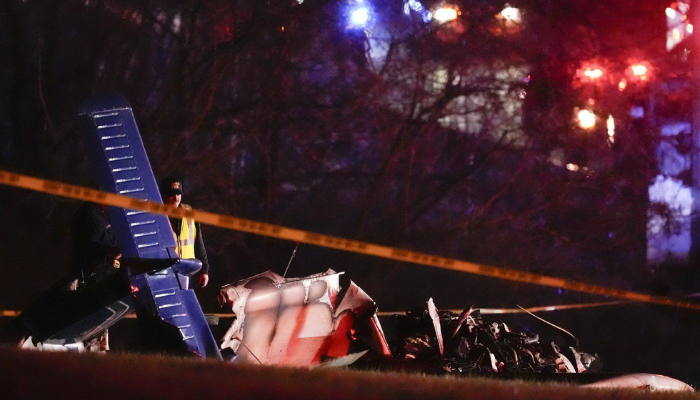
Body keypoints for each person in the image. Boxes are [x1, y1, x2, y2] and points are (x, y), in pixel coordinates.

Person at [159, 176, 211, 288]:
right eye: (172, 194)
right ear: (164, 195)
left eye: (178, 194)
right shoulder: (157, 216)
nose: (176, 198)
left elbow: (199, 244)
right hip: (164, 273)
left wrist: (204, 271)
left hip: (188, 272)